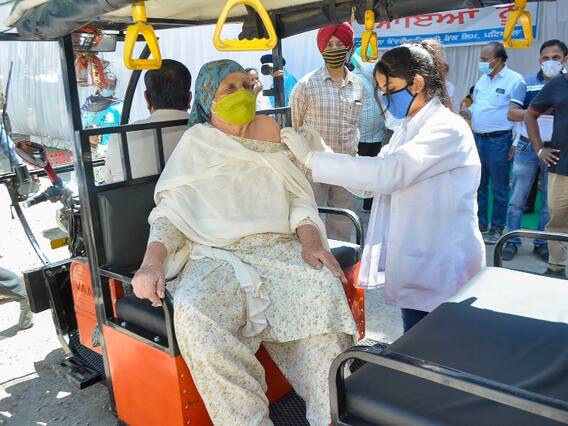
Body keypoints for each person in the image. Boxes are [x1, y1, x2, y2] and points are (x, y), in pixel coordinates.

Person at [131, 59, 357, 425]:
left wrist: (312, 242)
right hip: (216, 255)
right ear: (208, 97)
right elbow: (170, 215)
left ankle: (329, 414)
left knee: (321, 287)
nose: (242, 94)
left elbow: (299, 199)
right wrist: (151, 263)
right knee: (193, 309)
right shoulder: (196, 144)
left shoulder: (270, 134)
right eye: (229, 88)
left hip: (278, 246)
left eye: (245, 85)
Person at [283, 40, 485, 333]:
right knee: (416, 341)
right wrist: (324, 153)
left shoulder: (446, 128)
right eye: (382, 90)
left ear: (417, 83)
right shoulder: (407, 129)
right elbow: (371, 185)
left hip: (442, 265)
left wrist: (314, 159)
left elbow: (388, 173)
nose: (387, 97)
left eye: (390, 88)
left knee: (438, 346)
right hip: (419, 263)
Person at [289, 21, 365, 240]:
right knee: (309, 220)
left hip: (346, 166)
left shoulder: (358, 85)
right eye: (329, 45)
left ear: (349, 47)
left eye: (339, 44)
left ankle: (341, 257)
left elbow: (354, 125)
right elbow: (294, 127)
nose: (334, 49)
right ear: (322, 49)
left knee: (343, 222)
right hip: (313, 168)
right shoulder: (305, 85)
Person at [502, 40, 567, 261]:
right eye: (546, 58)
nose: (550, 62)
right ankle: (511, 240)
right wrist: (538, 110)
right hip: (527, 145)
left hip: (556, 149)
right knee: (517, 198)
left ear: (565, 59)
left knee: (550, 202)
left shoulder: (565, 84)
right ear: (539, 60)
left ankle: (542, 243)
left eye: (556, 57)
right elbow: (512, 113)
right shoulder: (526, 82)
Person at [470, 42, 524, 244]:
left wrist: (515, 142)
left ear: (499, 60)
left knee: (499, 188)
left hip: (499, 140)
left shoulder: (515, 80)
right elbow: (477, 105)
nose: (481, 63)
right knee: (479, 185)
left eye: (485, 59)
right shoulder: (482, 80)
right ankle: (481, 224)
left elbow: (518, 115)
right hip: (478, 139)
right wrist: (469, 112)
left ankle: (497, 227)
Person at [105, 59, 192, 183]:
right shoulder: (206, 132)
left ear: (147, 98)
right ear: (189, 98)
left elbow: (110, 182)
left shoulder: (120, 137)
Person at [525, 42, 568, 278]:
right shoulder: (557, 85)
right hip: (561, 166)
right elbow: (530, 114)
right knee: (558, 221)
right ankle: (556, 268)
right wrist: (540, 149)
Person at [351, 46, 385, 212]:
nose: (372, 62)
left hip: (377, 134)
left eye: (373, 59)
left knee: (373, 168)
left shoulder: (377, 78)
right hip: (360, 135)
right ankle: (360, 200)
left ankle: (369, 203)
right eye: (368, 59)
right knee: (362, 169)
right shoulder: (353, 78)